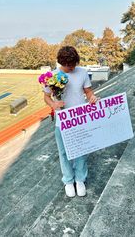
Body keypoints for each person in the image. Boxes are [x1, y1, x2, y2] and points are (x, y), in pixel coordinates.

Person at [43, 46, 99, 197]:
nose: (73, 67)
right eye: (69, 65)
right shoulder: (52, 75)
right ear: (62, 62)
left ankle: (80, 179)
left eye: (74, 64)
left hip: (80, 118)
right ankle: (68, 181)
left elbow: (88, 91)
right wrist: (53, 104)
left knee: (81, 149)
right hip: (62, 121)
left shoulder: (82, 72)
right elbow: (46, 97)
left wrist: (92, 97)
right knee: (64, 152)